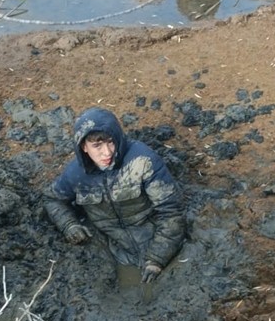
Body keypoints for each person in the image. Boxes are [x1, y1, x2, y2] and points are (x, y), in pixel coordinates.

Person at [44, 107, 186, 283]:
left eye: (111, 142)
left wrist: (157, 258)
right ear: (84, 147)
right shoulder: (75, 174)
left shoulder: (142, 160)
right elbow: (53, 199)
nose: (107, 152)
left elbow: (172, 212)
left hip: (155, 237)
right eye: (97, 145)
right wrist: (69, 225)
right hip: (113, 250)